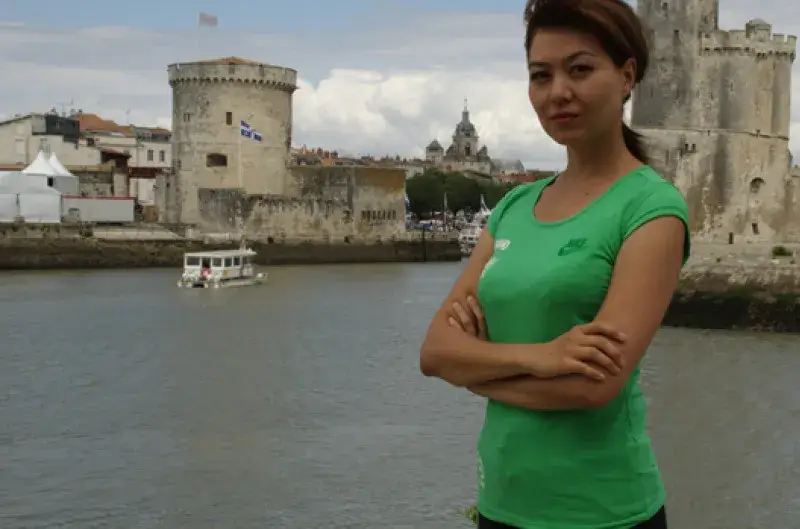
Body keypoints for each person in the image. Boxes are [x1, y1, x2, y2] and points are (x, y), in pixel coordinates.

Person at [419, 0, 691, 527]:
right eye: (541, 75)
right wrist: (543, 357)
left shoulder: (651, 208)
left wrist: (475, 375)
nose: (558, 92)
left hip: (605, 513)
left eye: (580, 69)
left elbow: (593, 386)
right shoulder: (514, 206)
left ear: (627, 76)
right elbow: (434, 352)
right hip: (502, 505)